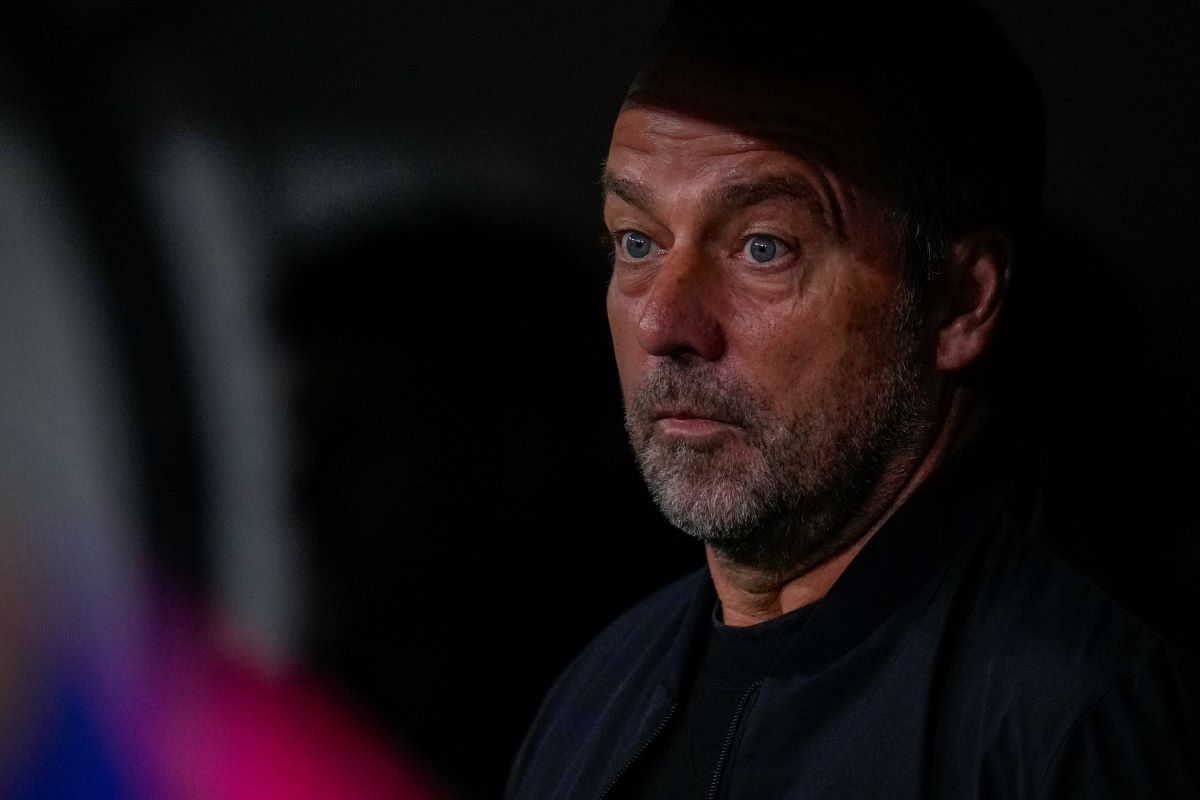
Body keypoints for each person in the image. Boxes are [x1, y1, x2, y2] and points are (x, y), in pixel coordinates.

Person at [505, 1, 1200, 798]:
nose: (664, 321)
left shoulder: (1075, 718)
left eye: (764, 247)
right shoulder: (592, 703)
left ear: (960, 302)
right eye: (637, 242)